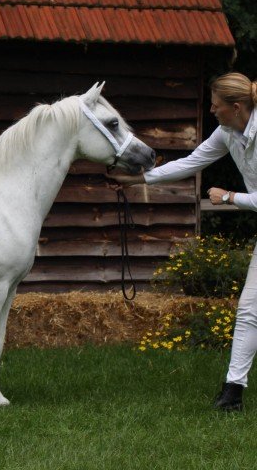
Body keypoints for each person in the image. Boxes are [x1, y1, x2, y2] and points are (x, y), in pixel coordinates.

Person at [110, 72, 257, 411]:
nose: (211, 110)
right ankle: (232, 395)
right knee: (249, 311)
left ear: (236, 107)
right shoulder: (227, 132)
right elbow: (191, 162)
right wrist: (137, 179)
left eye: (216, 105)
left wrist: (229, 197)